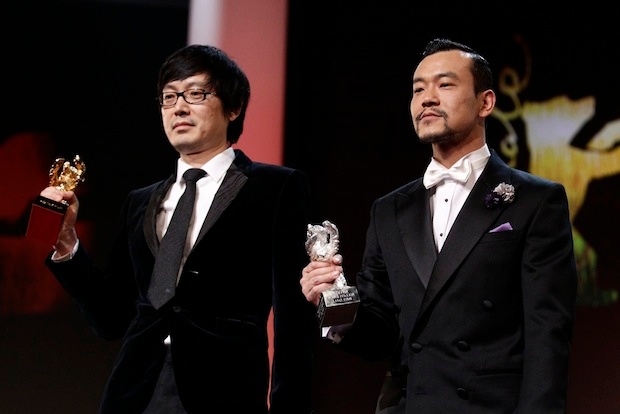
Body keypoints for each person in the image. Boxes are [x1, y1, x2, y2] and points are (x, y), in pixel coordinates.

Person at [300, 38, 577, 414]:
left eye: (445, 85)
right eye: (418, 90)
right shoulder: (390, 210)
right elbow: (380, 335)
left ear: (486, 102)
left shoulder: (536, 200)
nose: (427, 98)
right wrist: (332, 299)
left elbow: (548, 336)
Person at [40, 44, 317, 414]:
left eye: (196, 94)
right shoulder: (140, 201)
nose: (179, 107)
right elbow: (112, 319)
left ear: (233, 107)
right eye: (168, 97)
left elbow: (293, 313)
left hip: (225, 391)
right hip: (135, 391)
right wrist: (67, 246)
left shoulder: (275, 187)